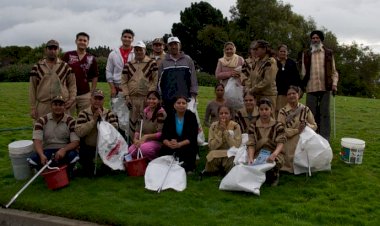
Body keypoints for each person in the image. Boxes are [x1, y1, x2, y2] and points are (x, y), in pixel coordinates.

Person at [300, 30, 339, 141]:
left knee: (324, 113)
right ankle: (312, 137)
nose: (315, 40)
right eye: (313, 38)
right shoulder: (306, 53)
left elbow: (333, 71)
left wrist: (334, 84)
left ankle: (325, 138)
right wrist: (303, 86)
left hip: (325, 87)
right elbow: (303, 72)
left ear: (321, 39)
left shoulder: (328, 53)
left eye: (317, 38)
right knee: (311, 113)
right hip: (311, 87)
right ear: (311, 40)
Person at [28, 96, 79, 173]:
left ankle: (67, 170)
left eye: (61, 105)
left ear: (64, 107)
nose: (58, 107)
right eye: (55, 104)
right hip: (47, 151)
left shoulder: (71, 121)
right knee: (32, 159)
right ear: (51, 106)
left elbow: (76, 142)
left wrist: (64, 150)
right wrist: (41, 155)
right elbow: (37, 141)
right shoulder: (41, 120)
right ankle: (48, 171)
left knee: (74, 156)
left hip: (64, 150)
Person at [74, 89, 119, 176]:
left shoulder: (109, 113)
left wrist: (102, 120)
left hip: (105, 146)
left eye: (100, 99)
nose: (97, 101)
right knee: (88, 171)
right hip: (89, 146)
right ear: (91, 99)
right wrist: (93, 121)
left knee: (107, 170)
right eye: (95, 99)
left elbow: (114, 130)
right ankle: (89, 166)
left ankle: (106, 166)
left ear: (103, 101)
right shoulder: (83, 113)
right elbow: (79, 132)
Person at [29, 39, 77, 120]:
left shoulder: (65, 67)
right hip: (43, 105)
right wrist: (33, 107)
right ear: (45, 50)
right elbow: (32, 88)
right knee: (42, 129)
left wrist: (72, 99)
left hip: (62, 105)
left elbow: (72, 85)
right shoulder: (37, 67)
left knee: (63, 130)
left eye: (55, 49)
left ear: (58, 50)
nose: (52, 51)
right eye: (50, 48)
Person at [121, 41, 158, 141]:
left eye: (140, 49)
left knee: (145, 121)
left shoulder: (151, 63)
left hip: (146, 98)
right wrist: (126, 96)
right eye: (136, 50)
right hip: (132, 98)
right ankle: (133, 144)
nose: (138, 52)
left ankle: (145, 144)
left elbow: (155, 80)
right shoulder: (128, 65)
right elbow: (123, 81)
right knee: (132, 122)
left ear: (145, 50)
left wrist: (150, 96)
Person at [277, 86, 317, 173]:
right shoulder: (282, 111)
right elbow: (280, 130)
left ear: (298, 95)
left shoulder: (305, 109)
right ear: (286, 97)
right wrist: (297, 130)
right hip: (288, 139)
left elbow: (314, 126)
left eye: (293, 93)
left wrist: (307, 125)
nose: (291, 96)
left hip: (302, 139)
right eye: (289, 94)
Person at [247, 98, 286, 186]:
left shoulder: (278, 125)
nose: (264, 112)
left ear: (271, 110)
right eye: (261, 109)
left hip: (274, 153)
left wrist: (274, 154)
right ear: (258, 110)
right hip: (258, 153)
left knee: (272, 165)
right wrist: (250, 158)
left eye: (266, 109)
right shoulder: (253, 126)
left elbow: (281, 143)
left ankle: (274, 175)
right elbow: (251, 144)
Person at [62, 32, 99, 115]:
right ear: (76, 41)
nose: (82, 42)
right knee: (66, 119)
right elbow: (61, 73)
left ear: (88, 43)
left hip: (85, 94)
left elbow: (95, 76)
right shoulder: (68, 55)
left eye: (85, 40)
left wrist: (91, 92)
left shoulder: (91, 58)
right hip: (69, 93)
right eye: (80, 40)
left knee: (84, 119)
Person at [158, 37, 198, 113]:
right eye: (171, 45)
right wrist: (160, 97)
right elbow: (159, 81)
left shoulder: (188, 60)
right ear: (167, 47)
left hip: (185, 100)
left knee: (185, 123)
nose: (173, 47)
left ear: (180, 45)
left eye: (176, 44)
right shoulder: (163, 62)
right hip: (168, 100)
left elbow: (193, 78)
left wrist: (193, 96)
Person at [160, 96, 199, 173]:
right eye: (178, 103)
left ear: (187, 105)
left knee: (190, 148)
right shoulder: (170, 116)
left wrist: (180, 144)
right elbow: (164, 134)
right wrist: (168, 143)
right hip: (173, 143)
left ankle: (188, 167)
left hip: (185, 143)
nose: (181, 105)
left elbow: (193, 136)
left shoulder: (191, 116)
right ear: (174, 105)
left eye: (183, 103)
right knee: (163, 149)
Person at [128, 91, 167, 161]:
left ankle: (155, 161)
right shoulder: (143, 112)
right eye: (149, 99)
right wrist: (135, 139)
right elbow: (137, 129)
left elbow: (161, 134)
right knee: (130, 151)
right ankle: (142, 163)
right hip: (143, 141)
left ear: (159, 100)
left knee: (144, 149)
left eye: (154, 99)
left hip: (157, 142)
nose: (151, 101)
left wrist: (146, 136)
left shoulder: (161, 113)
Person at [204, 105, 242, 175]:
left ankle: (227, 172)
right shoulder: (213, 126)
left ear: (230, 115)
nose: (223, 115)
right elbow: (211, 146)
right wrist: (220, 132)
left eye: (226, 113)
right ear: (218, 116)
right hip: (216, 151)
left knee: (231, 158)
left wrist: (225, 131)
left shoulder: (236, 126)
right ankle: (215, 171)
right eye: (221, 113)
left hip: (229, 152)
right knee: (211, 156)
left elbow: (236, 146)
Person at [245, 40, 278, 113]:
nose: (255, 51)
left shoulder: (270, 62)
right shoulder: (256, 61)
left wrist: (252, 90)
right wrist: (247, 88)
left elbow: (267, 81)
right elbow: (251, 77)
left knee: (269, 118)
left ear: (264, 49)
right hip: (256, 95)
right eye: (254, 49)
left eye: (257, 49)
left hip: (268, 95)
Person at [106, 29, 135, 98]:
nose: (127, 39)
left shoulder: (136, 53)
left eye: (129, 37)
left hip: (132, 88)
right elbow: (109, 71)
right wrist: (112, 88)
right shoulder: (113, 54)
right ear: (121, 38)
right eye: (125, 37)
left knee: (132, 108)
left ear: (132, 39)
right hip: (117, 88)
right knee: (116, 109)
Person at [275, 44, 301, 116]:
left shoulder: (292, 63)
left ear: (287, 52)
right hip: (278, 93)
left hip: (290, 93)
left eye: (284, 51)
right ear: (278, 52)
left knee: (290, 111)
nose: (283, 53)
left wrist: (296, 89)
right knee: (279, 111)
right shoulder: (274, 62)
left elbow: (296, 77)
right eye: (281, 51)